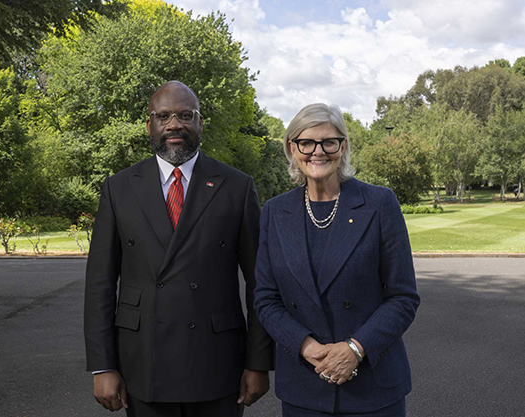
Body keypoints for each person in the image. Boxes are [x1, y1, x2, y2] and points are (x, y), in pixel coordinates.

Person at [84, 81, 274, 417]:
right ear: (150, 125)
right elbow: (100, 284)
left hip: (217, 362)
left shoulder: (237, 186)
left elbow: (261, 284)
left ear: (200, 123)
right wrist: (102, 366)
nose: (175, 124)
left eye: (186, 115)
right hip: (143, 363)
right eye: (164, 116)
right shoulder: (119, 188)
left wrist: (258, 362)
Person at [253, 103, 420, 416]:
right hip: (305, 386)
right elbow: (266, 299)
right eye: (306, 142)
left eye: (329, 142)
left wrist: (355, 349)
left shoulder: (379, 203)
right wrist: (307, 347)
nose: (318, 151)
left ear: (343, 147)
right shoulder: (275, 212)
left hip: (373, 387)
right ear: (292, 148)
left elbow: (403, 297)